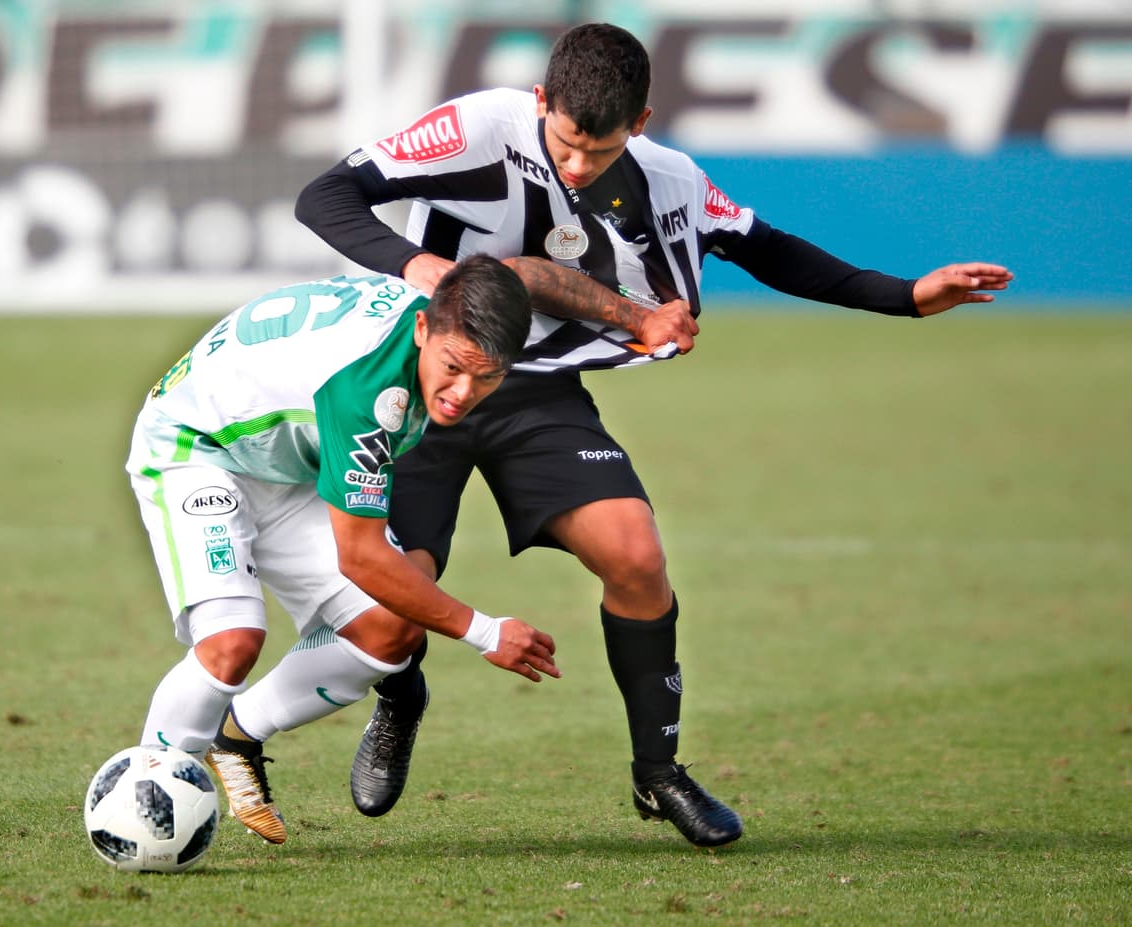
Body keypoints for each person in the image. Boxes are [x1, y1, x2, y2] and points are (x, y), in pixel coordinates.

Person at [292, 22, 1013, 848]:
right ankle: (399, 695)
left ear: (639, 123)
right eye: (563, 144)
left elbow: (765, 249)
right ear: (540, 103)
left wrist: (907, 293)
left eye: (596, 153)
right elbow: (326, 197)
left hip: (537, 391)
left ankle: (659, 772)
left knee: (636, 555)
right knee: (394, 617)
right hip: (428, 379)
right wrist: (415, 265)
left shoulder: (668, 177)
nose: (575, 168)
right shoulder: (473, 129)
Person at [129, 252, 668, 845]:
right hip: (195, 449)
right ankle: (144, 800)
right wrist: (486, 632)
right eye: (454, 367)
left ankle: (238, 735)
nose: (462, 394)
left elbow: (527, 276)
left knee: (392, 631)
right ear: (422, 331)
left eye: (487, 377)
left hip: (285, 458)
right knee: (232, 643)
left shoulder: (442, 307)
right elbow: (359, 556)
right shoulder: (369, 388)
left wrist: (636, 316)